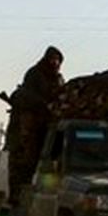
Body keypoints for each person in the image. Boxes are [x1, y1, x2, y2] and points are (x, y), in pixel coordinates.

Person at [5, 46, 65, 203]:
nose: (55, 63)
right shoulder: (34, 75)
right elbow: (28, 97)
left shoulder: (58, 78)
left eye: (57, 61)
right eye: (52, 59)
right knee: (23, 161)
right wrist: (43, 105)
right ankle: (16, 194)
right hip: (29, 126)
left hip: (48, 125)